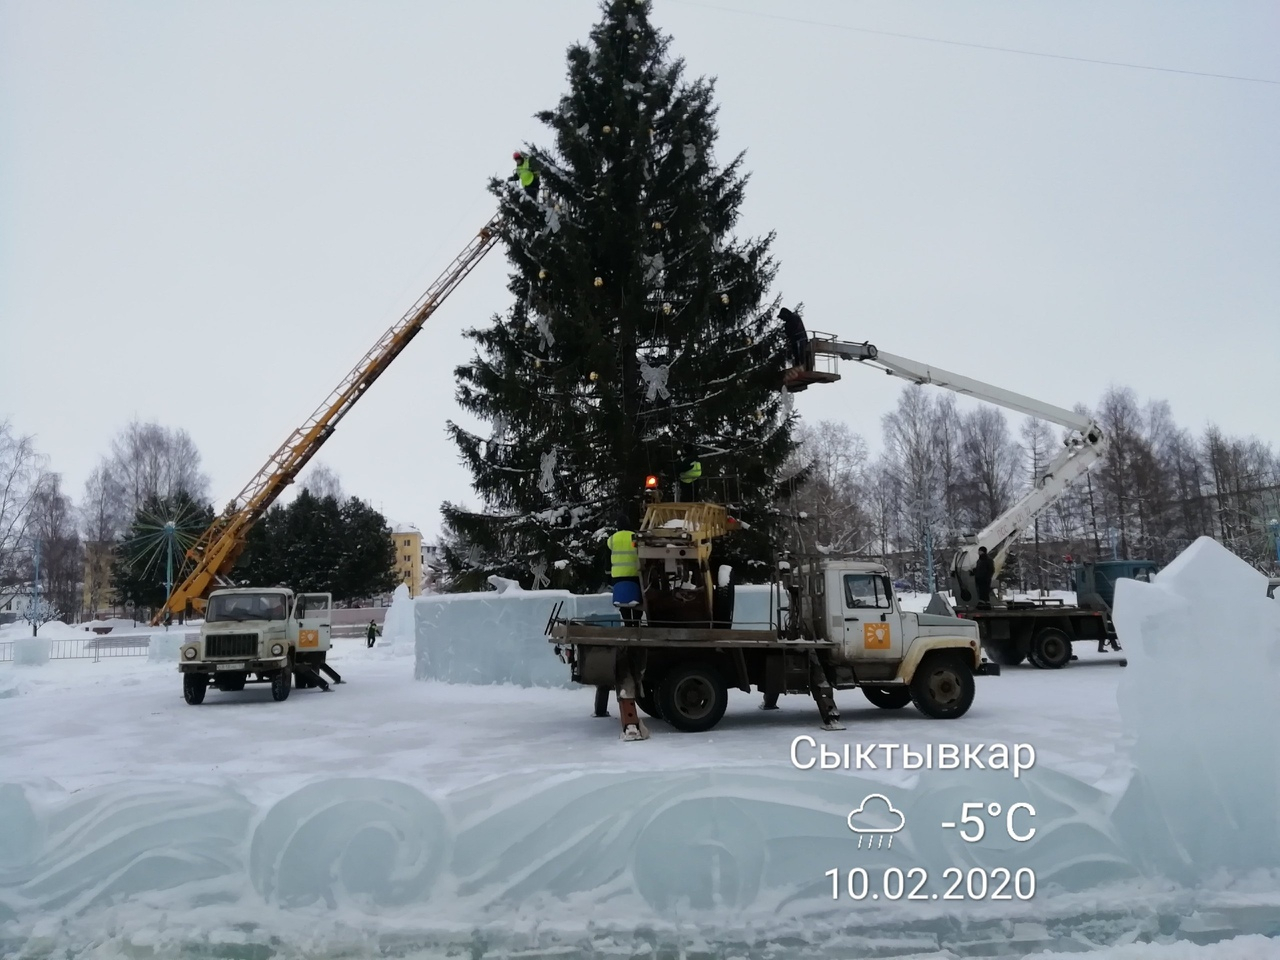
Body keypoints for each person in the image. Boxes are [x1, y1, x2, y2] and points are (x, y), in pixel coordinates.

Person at [779, 306, 810, 370]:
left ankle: (803, 366)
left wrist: (790, 334)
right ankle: (797, 365)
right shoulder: (787, 323)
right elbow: (788, 333)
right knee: (796, 353)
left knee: (801, 353)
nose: (783, 319)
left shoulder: (794, 317)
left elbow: (796, 329)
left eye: (783, 317)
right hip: (795, 340)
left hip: (800, 339)